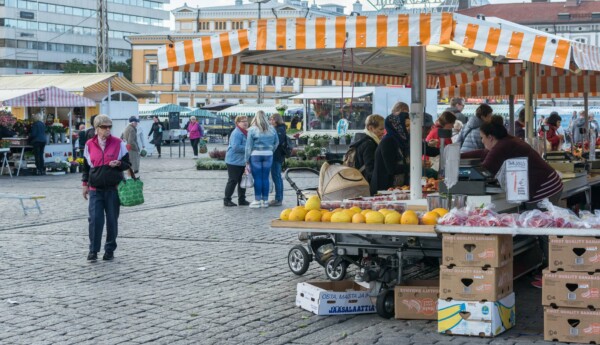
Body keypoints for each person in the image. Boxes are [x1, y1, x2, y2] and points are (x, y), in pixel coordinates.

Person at [463, 115, 563, 203]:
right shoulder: (507, 140)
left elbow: (485, 170)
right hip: (550, 183)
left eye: (482, 137)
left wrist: (463, 174)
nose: (482, 141)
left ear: (490, 137)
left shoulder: (502, 146)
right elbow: (483, 153)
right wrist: (459, 157)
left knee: (537, 222)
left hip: (544, 189)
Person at [81, 115, 131, 262]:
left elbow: (127, 164)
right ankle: (93, 250)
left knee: (111, 220)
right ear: (97, 128)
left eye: (110, 126)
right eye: (104, 127)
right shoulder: (89, 144)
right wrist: (85, 185)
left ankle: (109, 249)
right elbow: (85, 167)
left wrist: (119, 164)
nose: (108, 129)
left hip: (113, 189)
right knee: (95, 220)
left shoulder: (118, 143)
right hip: (95, 189)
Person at [245, 110, 279, 208]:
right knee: (266, 177)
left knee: (258, 178)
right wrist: (271, 150)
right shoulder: (272, 129)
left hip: (255, 154)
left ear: (256, 118)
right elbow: (276, 142)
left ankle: (257, 200)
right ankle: (265, 201)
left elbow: (248, 146)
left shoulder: (251, 129)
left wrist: (246, 159)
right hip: (268, 154)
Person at [370, 114, 409, 195]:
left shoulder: (402, 141)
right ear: (397, 127)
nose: (409, 128)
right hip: (384, 191)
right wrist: (414, 166)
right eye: (406, 125)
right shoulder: (388, 141)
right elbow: (391, 169)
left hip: (396, 189)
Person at [349, 114, 385, 184]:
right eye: (381, 129)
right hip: (366, 183)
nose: (383, 132)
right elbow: (370, 170)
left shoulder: (360, 139)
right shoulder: (369, 144)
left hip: (358, 181)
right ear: (370, 128)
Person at [224, 115, 250, 207]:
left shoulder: (245, 132)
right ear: (237, 123)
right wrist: (249, 148)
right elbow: (236, 147)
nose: (245, 123)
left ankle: (242, 200)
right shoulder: (237, 133)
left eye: (246, 121)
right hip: (233, 161)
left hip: (242, 161)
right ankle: (227, 200)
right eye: (242, 121)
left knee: (242, 181)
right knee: (233, 180)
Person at [269, 113, 287, 206]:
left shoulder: (280, 129)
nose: (271, 121)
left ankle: (278, 198)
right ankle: (278, 198)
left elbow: (277, 142)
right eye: (270, 119)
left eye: (272, 119)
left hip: (277, 155)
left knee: (276, 177)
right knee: (276, 177)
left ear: (277, 120)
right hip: (276, 155)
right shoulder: (279, 128)